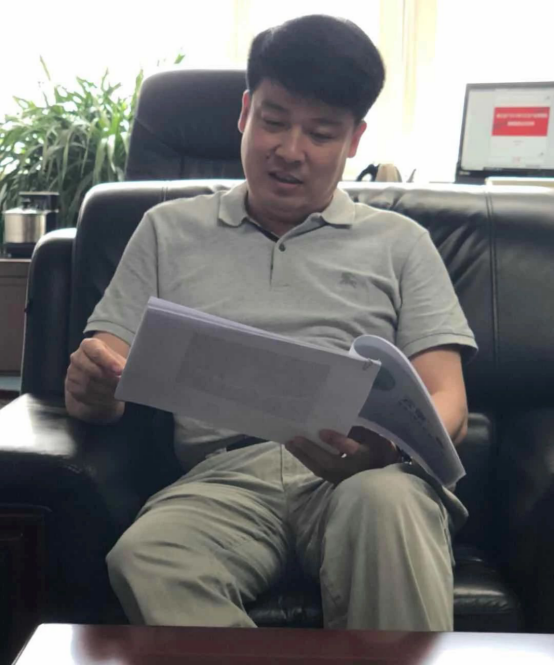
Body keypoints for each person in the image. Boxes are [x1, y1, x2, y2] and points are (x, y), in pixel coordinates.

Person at [64, 14, 477, 631]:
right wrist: (93, 384)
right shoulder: (166, 229)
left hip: (363, 474)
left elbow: (450, 400)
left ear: (355, 140)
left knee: (387, 502)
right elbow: (107, 364)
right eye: (274, 121)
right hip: (224, 479)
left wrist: (387, 451)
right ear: (244, 113)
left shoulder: (402, 243)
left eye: (321, 133)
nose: (290, 151)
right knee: (148, 555)